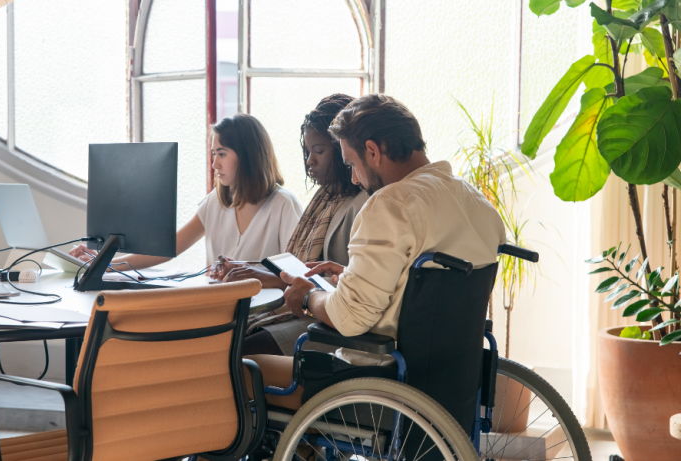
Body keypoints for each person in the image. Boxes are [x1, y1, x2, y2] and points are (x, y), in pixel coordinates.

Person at [258, 93, 506, 368]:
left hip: (374, 376)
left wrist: (307, 296)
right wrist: (355, 277)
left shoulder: (390, 204)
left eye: (352, 164)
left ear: (373, 151)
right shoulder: (479, 203)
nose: (354, 178)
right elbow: (428, 298)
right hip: (450, 373)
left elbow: (349, 318)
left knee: (247, 367)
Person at [212, 94, 369, 356]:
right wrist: (250, 269)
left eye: (319, 151)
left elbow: (348, 287)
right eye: (307, 152)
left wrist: (270, 279)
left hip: (329, 320)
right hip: (311, 309)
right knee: (225, 338)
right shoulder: (325, 198)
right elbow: (301, 266)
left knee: (238, 350)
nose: (310, 161)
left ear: (343, 147)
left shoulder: (363, 204)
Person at [70, 113, 303, 269]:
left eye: (222, 154)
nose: (215, 164)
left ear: (248, 155)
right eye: (214, 154)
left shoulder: (283, 204)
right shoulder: (216, 202)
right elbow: (168, 249)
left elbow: (296, 272)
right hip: (220, 308)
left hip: (262, 314)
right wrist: (104, 264)